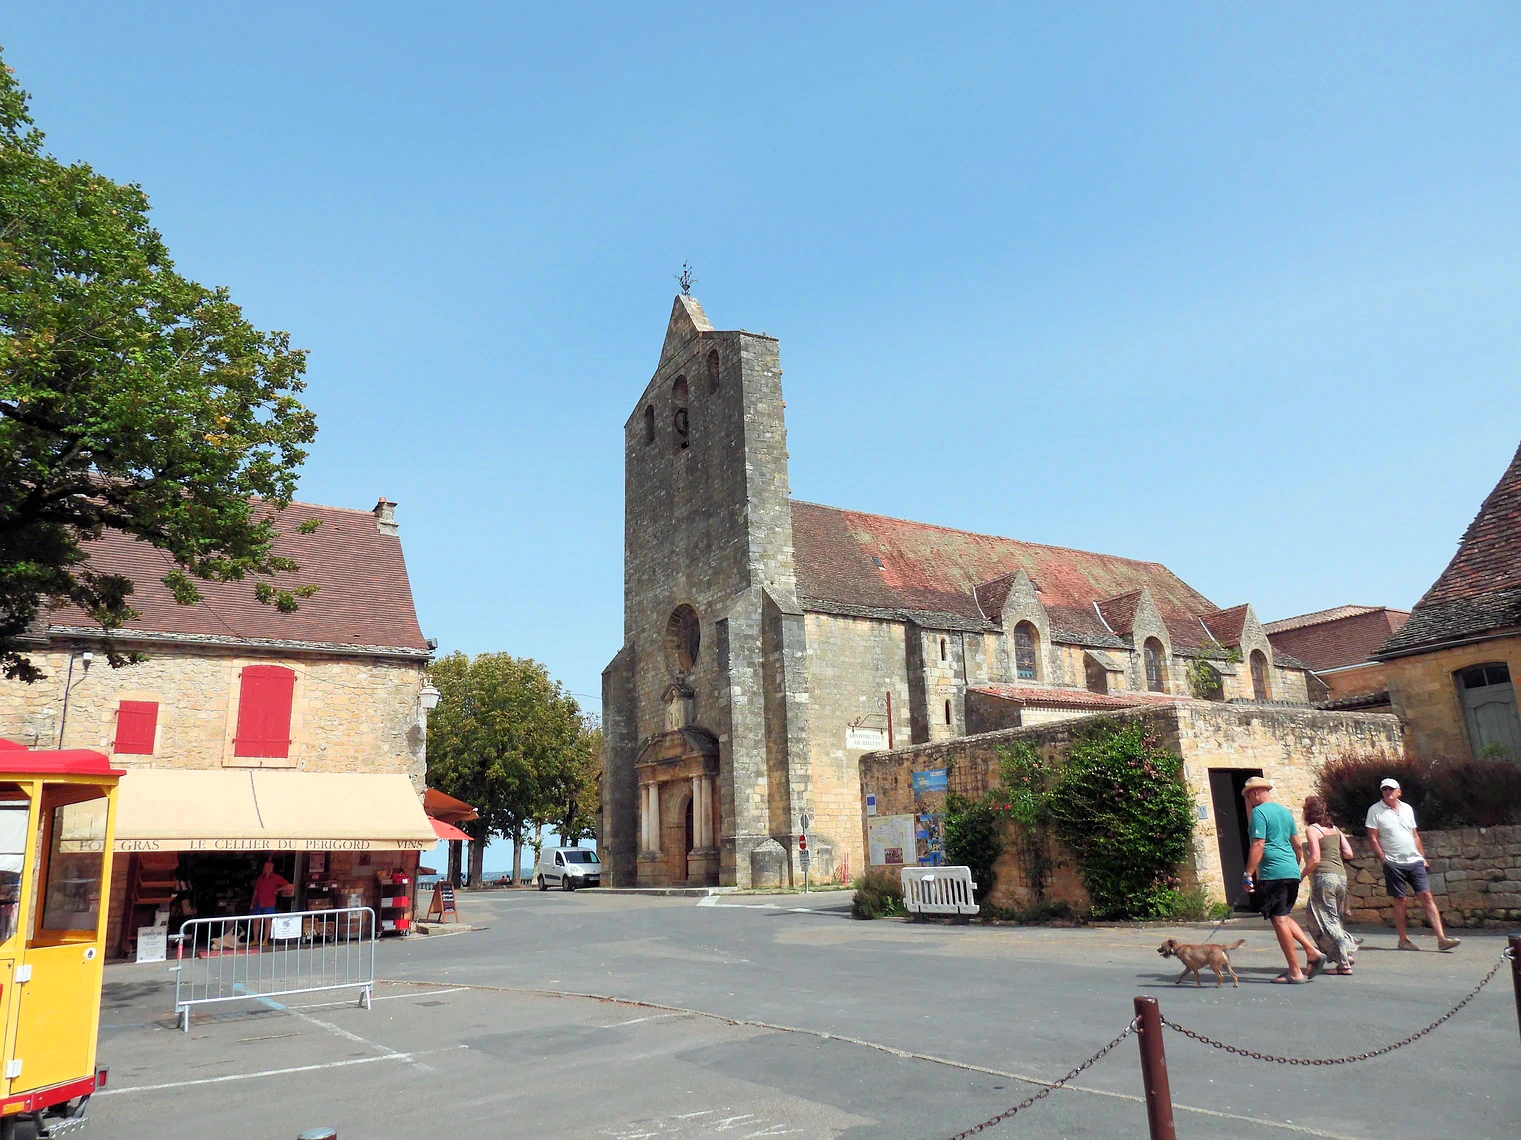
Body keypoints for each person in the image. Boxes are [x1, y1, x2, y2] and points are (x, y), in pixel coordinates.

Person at [1241, 776, 1326, 983]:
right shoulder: (1285, 812)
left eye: (1247, 796)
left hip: (1273, 873)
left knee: (1278, 920)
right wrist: (1294, 866)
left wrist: (1248, 874)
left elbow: (1259, 844)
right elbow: (1297, 844)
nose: (1249, 800)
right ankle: (1311, 951)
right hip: (1290, 871)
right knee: (1283, 915)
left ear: (1254, 793)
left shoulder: (1259, 812)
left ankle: (1295, 971)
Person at [1365, 778, 1460, 951]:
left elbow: (1414, 834)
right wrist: (1383, 858)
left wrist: (1422, 857)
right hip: (1393, 861)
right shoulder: (1375, 810)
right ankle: (1403, 940)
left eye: (1391, 789)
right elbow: (1372, 837)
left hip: (1414, 860)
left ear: (1399, 791)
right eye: (1385, 789)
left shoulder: (1407, 809)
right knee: (1400, 899)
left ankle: (1441, 938)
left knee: (1427, 895)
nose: (1388, 792)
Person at [1301, 795, 1357, 974]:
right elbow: (1349, 854)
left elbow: (1315, 858)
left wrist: (1301, 875)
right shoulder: (1335, 829)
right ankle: (1344, 953)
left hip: (1324, 878)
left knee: (1320, 920)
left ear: (1307, 813)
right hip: (1341, 877)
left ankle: (1343, 963)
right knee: (1334, 919)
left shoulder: (1313, 830)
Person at [250, 859, 293, 944]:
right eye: (266, 867)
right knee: (256, 921)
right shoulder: (260, 877)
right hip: (258, 902)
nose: (268, 868)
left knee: (267, 921)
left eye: (269, 867)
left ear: (273, 867)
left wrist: (278, 890)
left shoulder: (276, 877)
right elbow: (256, 890)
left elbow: (288, 885)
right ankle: (255, 940)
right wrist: (252, 903)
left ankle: (265, 940)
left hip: (269, 903)